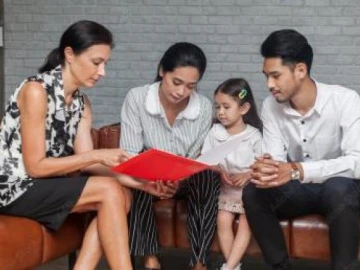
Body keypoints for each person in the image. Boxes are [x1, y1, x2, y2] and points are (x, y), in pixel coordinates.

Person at [0, 20, 133, 269]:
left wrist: (138, 182)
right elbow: (36, 167)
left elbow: (88, 162)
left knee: (122, 193)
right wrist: (98, 155)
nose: (102, 71)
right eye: (96, 62)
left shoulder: (82, 104)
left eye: (105, 64)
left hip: (42, 185)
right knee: (108, 190)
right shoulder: (36, 91)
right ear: (69, 54)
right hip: (12, 187)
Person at [243, 29, 360, 270]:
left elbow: (357, 162)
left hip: (339, 189)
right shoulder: (271, 106)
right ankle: (281, 266)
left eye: (275, 76)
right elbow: (276, 161)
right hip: (300, 192)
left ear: (300, 70)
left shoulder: (346, 100)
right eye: (266, 76)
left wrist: (297, 170)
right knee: (254, 192)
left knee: (339, 188)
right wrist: (266, 170)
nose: (269, 85)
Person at [120, 42, 220, 270]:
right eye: (177, 82)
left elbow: (198, 157)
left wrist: (179, 180)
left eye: (190, 86)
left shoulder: (203, 107)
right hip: (147, 178)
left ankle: (199, 261)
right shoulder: (137, 98)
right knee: (136, 176)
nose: (181, 92)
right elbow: (130, 153)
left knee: (208, 177)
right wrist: (153, 179)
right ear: (162, 71)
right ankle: (150, 258)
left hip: (184, 180)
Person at [201, 78, 262, 270]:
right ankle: (233, 266)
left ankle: (229, 266)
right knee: (223, 221)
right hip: (227, 189)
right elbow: (206, 159)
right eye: (217, 106)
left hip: (249, 191)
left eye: (226, 107)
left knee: (246, 223)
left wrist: (248, 175)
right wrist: (219, 171)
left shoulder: (254, 135)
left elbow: (263, 164)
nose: (220, 112)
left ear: (243, 109)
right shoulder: (215, 132)